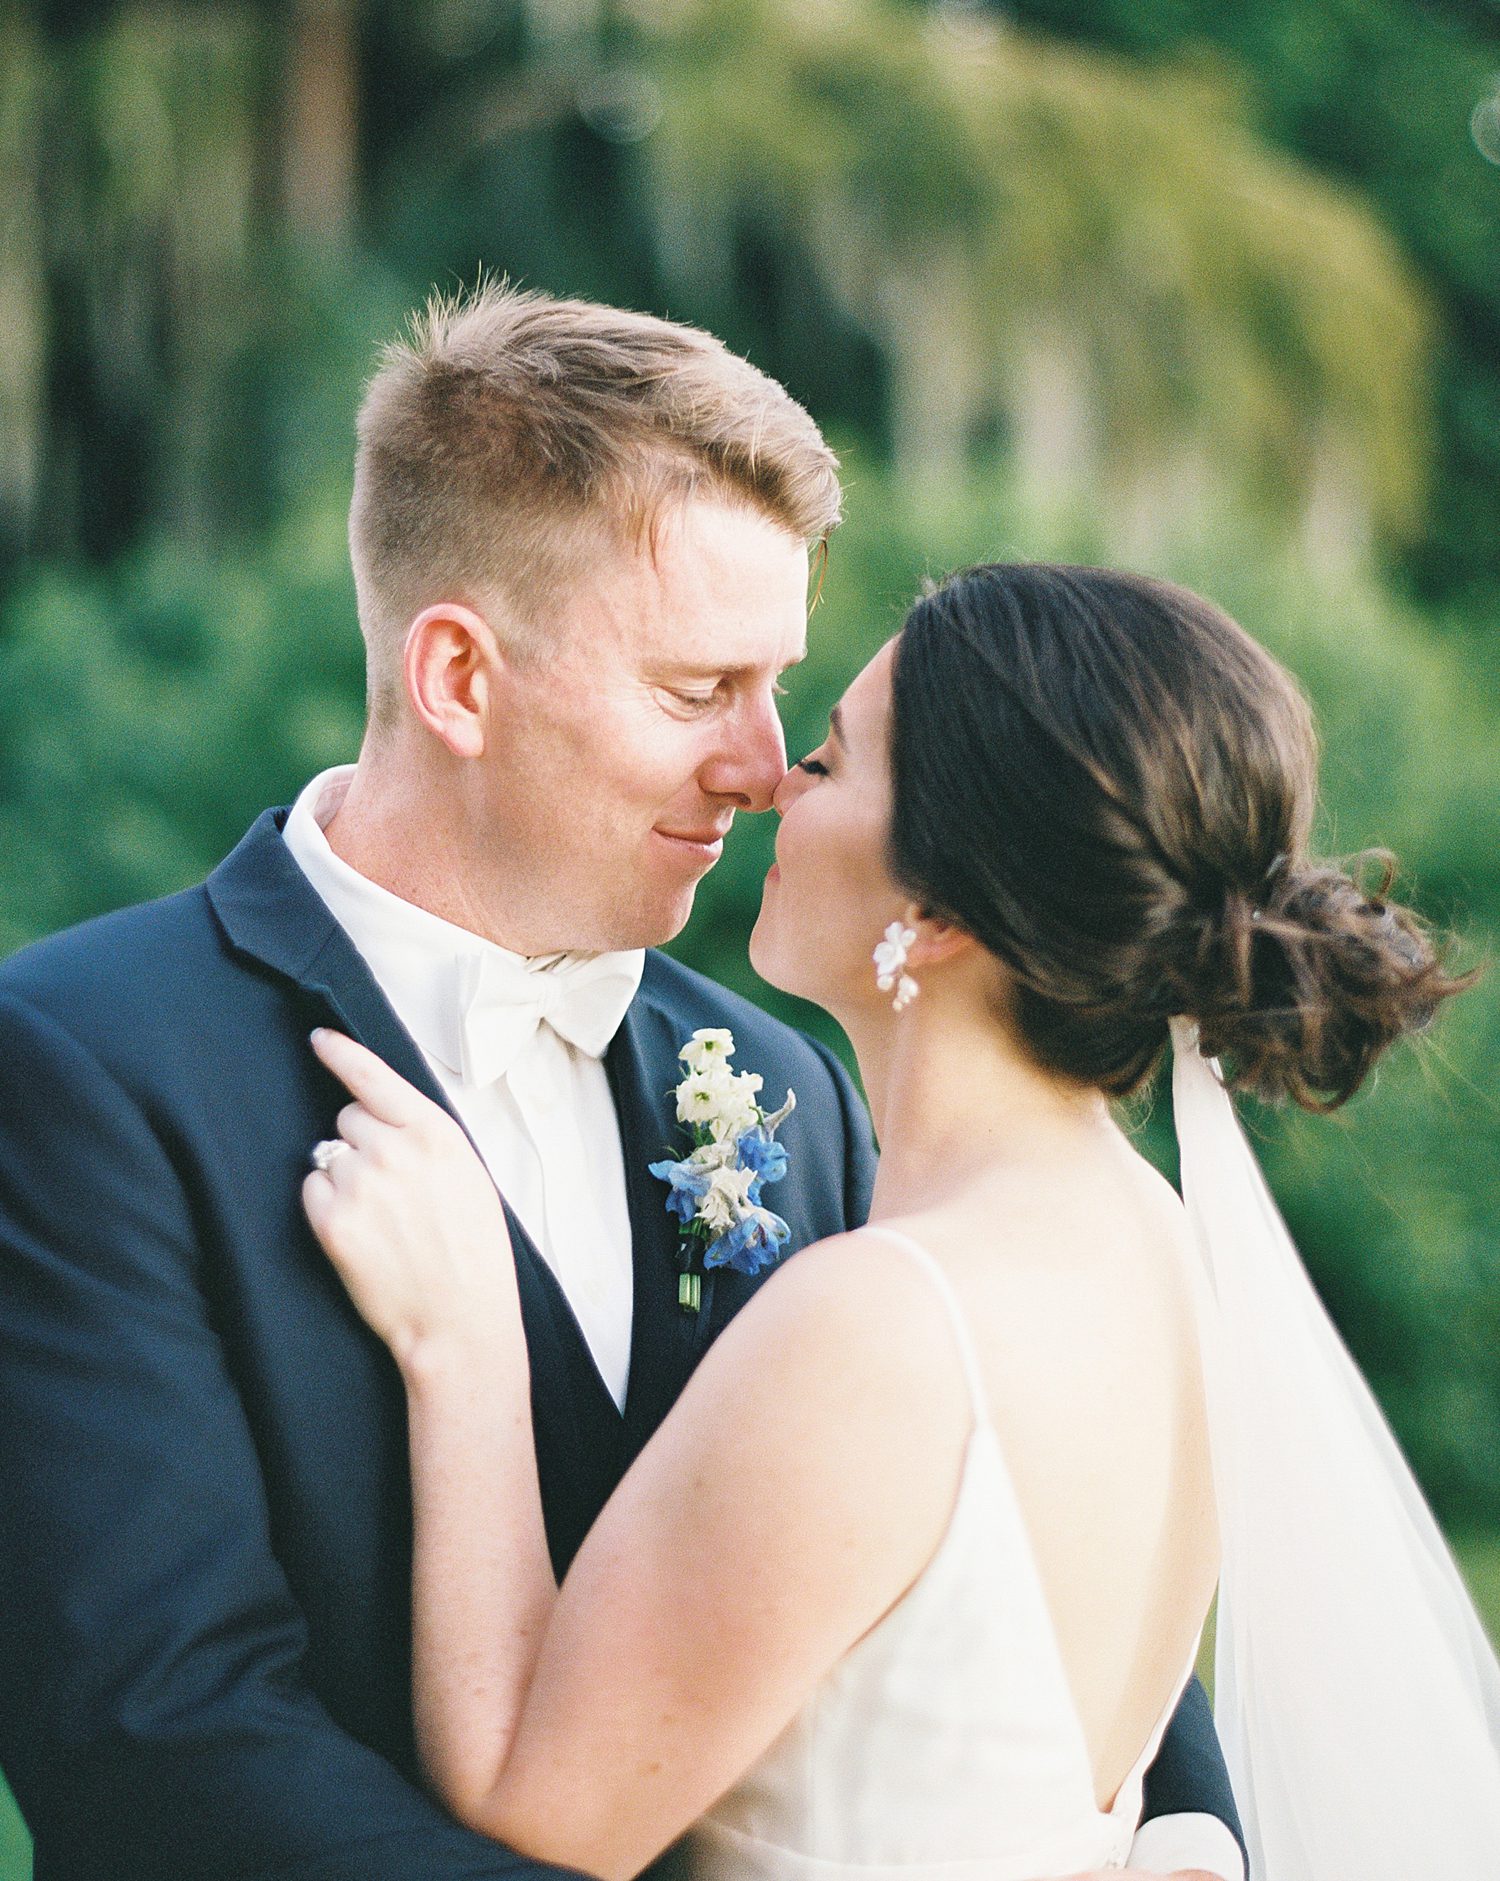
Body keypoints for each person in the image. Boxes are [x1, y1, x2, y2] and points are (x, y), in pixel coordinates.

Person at [0, 290, 1240, 1881]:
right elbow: (167, 1746)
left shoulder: (791, 1079)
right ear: (458, 677)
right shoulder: (86, 1070)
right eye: (693, 690)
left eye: (785, 687)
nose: (763, 762)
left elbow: (1007, 1557)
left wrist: (1187, 1837)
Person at [300, 562, 1500, 1881]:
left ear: (932, 913)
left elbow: (533, 1813)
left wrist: (463, 1346)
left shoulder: (884, 1321)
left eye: (824, 762)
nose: (766, 782)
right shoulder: (1155, 1245)